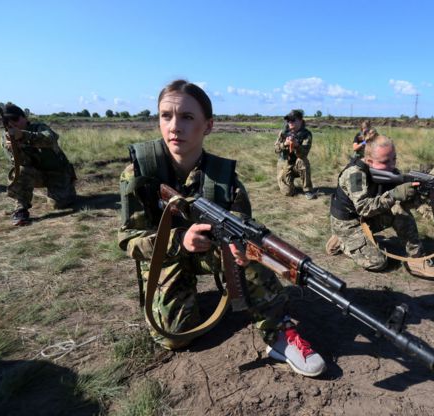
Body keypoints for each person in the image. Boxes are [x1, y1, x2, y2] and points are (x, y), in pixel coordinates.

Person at [118, 80, 326, 377]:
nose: (175, 126)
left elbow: (244, 230)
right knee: (174, 337)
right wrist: (179, 239)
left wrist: (242, 254)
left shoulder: (225, 178)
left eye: (187, 117)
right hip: (166, 255)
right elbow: (129, 241)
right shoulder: (139, 173)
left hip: (212, 252)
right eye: (166, 115)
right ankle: (182, 292)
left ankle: (279, 332)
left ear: (208, 125)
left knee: (257, 252)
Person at [326, 135, 434, 278]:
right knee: (378, 262)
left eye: (394, 159)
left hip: (367, 217)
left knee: (398, 208)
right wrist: (394, 194)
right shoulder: (355, 175)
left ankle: (416, 259)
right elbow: (363, 208)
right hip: (348, 223)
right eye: (385, 161)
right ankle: (343, 241)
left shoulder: (387, 172)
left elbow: (407, 203)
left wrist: (429, 196)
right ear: (369, 161)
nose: (392, 165)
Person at [0, 102, 77, 226]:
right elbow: (21, 164)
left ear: (24, 117)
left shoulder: (39, 127)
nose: (13, 124)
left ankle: (68, 189)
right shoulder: (8, 137)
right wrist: (15, 148)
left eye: (16, 119)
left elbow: (50, 138)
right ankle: (20, 210)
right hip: (36, 174)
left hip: (57, 172)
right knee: (21, 172)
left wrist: (24, 136)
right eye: (9, 122)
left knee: (59, 205)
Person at [274, 109, 316, 199]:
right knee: (288, 192)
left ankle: (307, 190)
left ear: (300, 120)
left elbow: (304, 153)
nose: (290, 122)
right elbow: (276, 149)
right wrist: (284, 144)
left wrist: (296, 145)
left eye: (293, 120)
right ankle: (286, 183)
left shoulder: (306, 134)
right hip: (285, 164)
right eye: (288, 120)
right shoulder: (283, 133)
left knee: (303, 160)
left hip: (297, 163)